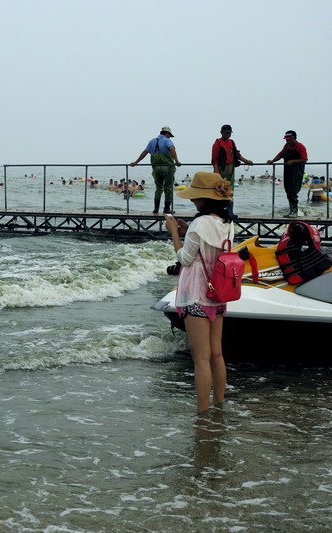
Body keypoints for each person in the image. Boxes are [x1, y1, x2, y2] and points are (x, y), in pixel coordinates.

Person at [164, 172, 235, 413]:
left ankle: (202, 414)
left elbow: (185, 259)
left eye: (196, 198)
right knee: (217, 354)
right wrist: (187, 232)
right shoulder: (227, 223)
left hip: (196, 293)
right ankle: (219, 406)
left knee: (200, 359)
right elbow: (209, 251)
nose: (193, 202)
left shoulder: (200, 223)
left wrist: (174, 232)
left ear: (203, 199)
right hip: (219, 292)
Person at [130, 126, 182, 214]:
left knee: (158, 188)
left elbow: (145, 152)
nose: (169, 137)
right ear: (166, 133)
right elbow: (172, 149)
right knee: (168, 188)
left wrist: (136, 162)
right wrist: (177, 161)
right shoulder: (167, 140)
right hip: (168, 167)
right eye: (169, 135)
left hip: (156, 168)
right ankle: (166, 209)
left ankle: (156, 209)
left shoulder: (152, 141)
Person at [211, 125, 254, 219]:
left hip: (231, 168)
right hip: (221, 169)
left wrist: (246, 161)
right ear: (221, 132)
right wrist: (216, 171)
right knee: (220, 190)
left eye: (229, 133)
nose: (228, 135)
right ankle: (220, 211)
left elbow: (237, 154)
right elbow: (214, 159)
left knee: (230, 190)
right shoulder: (217, 143)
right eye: (226, 133)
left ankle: (230, 212)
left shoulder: (232, 142)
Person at [267, 130, 308, 218]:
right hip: (287, 170)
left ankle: (294, 211)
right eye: (286, 140)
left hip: (297, 171)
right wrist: (272, 161)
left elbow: (304, 159)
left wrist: (293, 161)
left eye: (289, 139)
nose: (288, 141)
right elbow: (280, 154)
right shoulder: (286, 146)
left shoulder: (300, 146)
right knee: (287, 190)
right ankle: (291, 211)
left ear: (294, 138)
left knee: (293, 191)